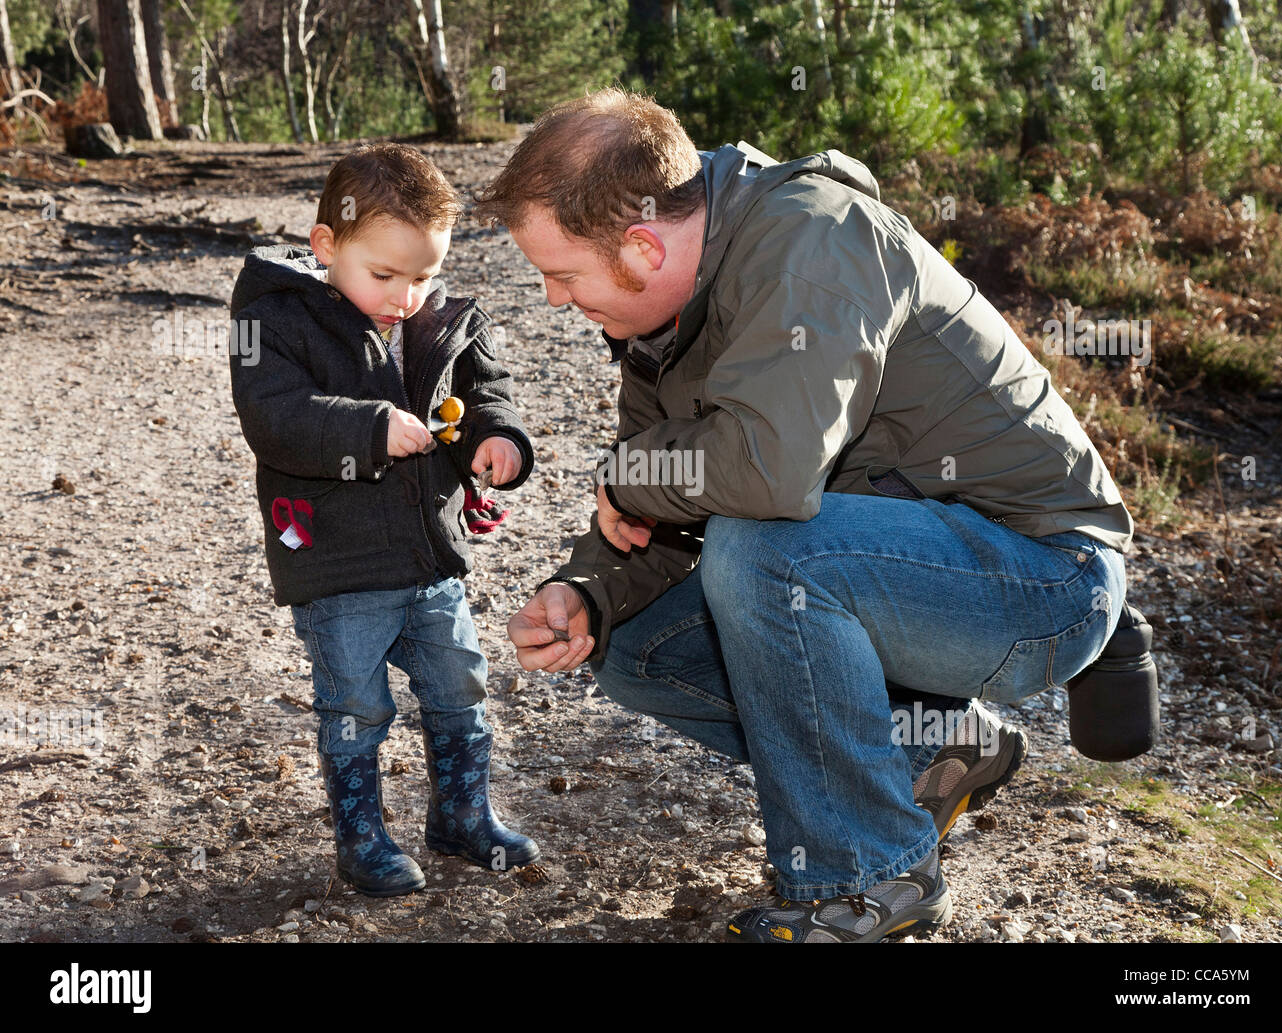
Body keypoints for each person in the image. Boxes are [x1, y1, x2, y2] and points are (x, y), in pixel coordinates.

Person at [481, 88, 1133, 942]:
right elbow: (669, 501)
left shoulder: (814, 240)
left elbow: (762, 471)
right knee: (637, 646)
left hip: (1043, 578)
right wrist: (588, 591)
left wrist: (628, 474)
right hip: (895, 566)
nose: (554, 299)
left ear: (642, 246)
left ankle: (866, 878)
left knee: (762, 555)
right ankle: (929, 749)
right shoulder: (662, 317)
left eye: (562, 274)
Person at [228, 142, 539, 898]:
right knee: (357, 701)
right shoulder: (275, 317)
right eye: (386, 274)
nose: (406, 295)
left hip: (431, 554)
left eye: (426, 275)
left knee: (459, 684)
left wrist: (496, 445)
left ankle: (462, 812)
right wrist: (369, 427)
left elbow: (486, 393)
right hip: (338, 563)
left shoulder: (441, 320)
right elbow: (274, 419)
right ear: (326, 245)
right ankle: (361, 834)